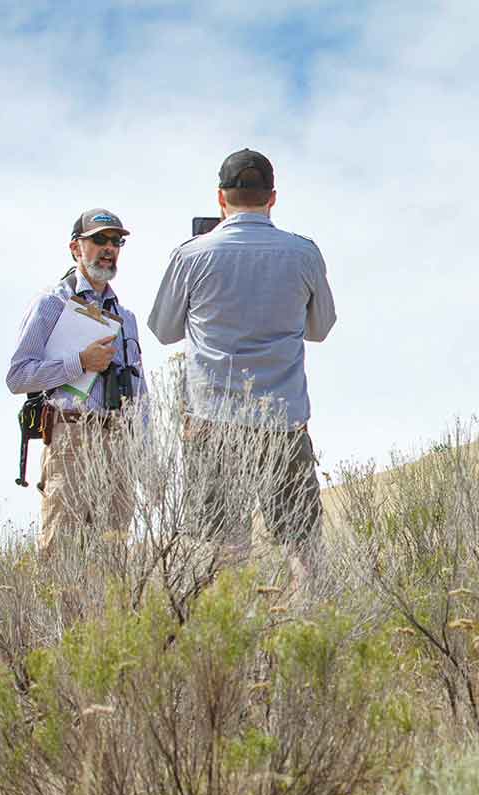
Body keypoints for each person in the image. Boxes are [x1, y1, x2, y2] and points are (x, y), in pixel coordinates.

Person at [148, 149, 336, 578]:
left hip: (212, 420)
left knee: (226, 544)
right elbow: (320, 328)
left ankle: (234, 638)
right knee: (301, 543)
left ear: (221, 198)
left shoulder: (191, 255)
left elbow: (163, 330)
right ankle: (311, 631)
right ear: (272, 197)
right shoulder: (303, 253)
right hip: (283, 419)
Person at [6, 208, 147, 557]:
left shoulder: (126, 317)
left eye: (116, 241)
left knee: (113, 555)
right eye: (99, 240)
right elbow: (19, 376)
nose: (109, 248)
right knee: (61, 552)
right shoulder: (51, 304)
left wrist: (146, 452)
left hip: (119, 441)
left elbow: (141, 392)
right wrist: (80, 363)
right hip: (71, 435)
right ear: (75, 248)